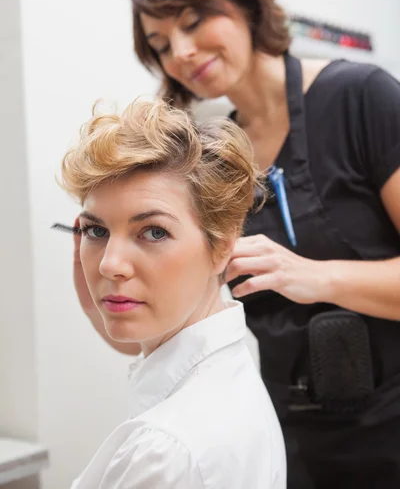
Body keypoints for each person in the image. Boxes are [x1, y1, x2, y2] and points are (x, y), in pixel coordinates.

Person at [74, 0, 400, 488]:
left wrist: (315, 276)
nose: (179, 52)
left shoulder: (360, 99)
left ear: (245, 5)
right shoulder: (218, 152)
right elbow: (151, 325)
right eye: (159, 45)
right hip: (284, 425)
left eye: (193, 20)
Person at [61, 99, 286, 488]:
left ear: (222, 248)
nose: (109, 265)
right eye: (97, 231)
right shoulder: (229, 375)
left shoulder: (166, 451)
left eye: (153, 232)